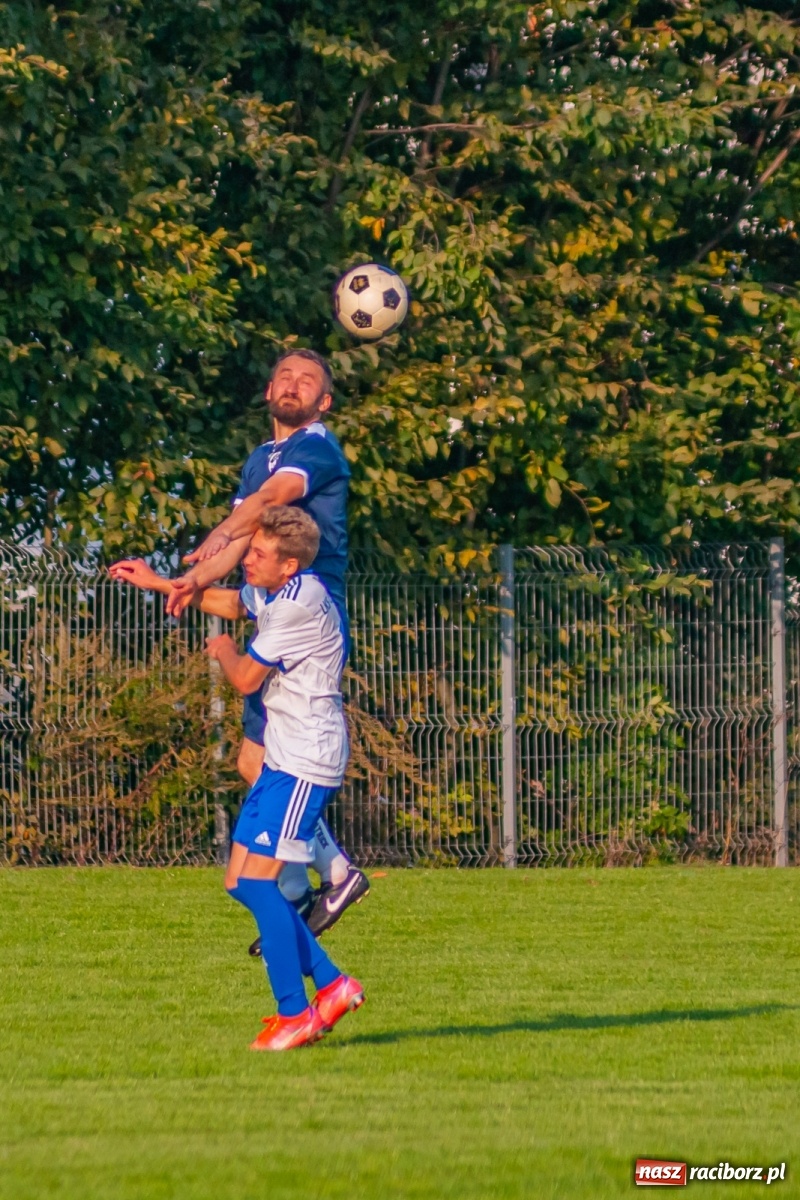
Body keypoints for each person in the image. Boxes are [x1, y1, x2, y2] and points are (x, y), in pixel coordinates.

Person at [110, 507, 365, 1051]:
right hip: (282, 756)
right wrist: (161, 584)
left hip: (305, 761)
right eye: (249, 550)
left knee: (257, 883)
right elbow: (230, 601)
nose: (246, 560)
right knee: (237, 882)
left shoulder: (299, 604)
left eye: (258, 554)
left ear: (289, 564)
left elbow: (248, 676)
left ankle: (295, 1013)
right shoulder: (279, 590)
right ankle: (333, 984)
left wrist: (224, 648)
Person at [168, 349, 368, 937]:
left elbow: (270, 503)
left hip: (308, 608)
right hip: (277, 605)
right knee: (253, 759)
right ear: (267, 390)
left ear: (323, 401)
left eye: (308, 380)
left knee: (270, 756)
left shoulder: (315, 447)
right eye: (284, 374)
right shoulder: (260, 457)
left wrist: (218, 535)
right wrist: (194, 580)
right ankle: (311, 886)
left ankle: (325, 877)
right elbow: (243, 537)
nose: (293, 384)